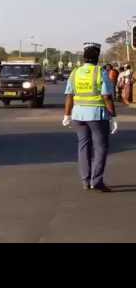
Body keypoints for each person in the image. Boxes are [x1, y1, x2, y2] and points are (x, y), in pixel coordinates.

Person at [62, 42, 118, 193]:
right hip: (97, 115)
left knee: (83, 147)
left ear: (84, 57)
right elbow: (107, 97)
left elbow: (69, 95)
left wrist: (66, 115)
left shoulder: (75, 72)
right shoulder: (101, 72)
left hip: (78, 115)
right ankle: (97, 181)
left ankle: (86, 181)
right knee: (100, 148)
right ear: (97, 57)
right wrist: (113, 117)